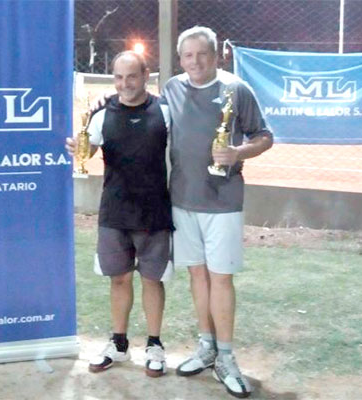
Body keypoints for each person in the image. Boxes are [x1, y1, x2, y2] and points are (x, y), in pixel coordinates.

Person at [162, 26, 273, 398]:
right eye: (188, 55)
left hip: (223, 201)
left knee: (221, 278)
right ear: (180, 59)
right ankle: (206, 346)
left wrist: (238, 152)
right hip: (181, 200)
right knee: (197, 275)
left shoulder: (236, 90)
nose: (195, 61)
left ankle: (226, 357)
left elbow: (264, 136)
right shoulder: (171, 88)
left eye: (202, 54)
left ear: (216, 56)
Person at [65, 51, 173, 377]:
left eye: (132, 76)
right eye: (118, 77)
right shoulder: (101, 113)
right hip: (114, 212)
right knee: (119, 279)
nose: (125, 84)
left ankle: (154, 344)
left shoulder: (165, 111)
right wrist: (79, 148)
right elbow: (89, 149)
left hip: (154, 212)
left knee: (152, 280)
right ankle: (119, 343)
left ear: (146, 76)